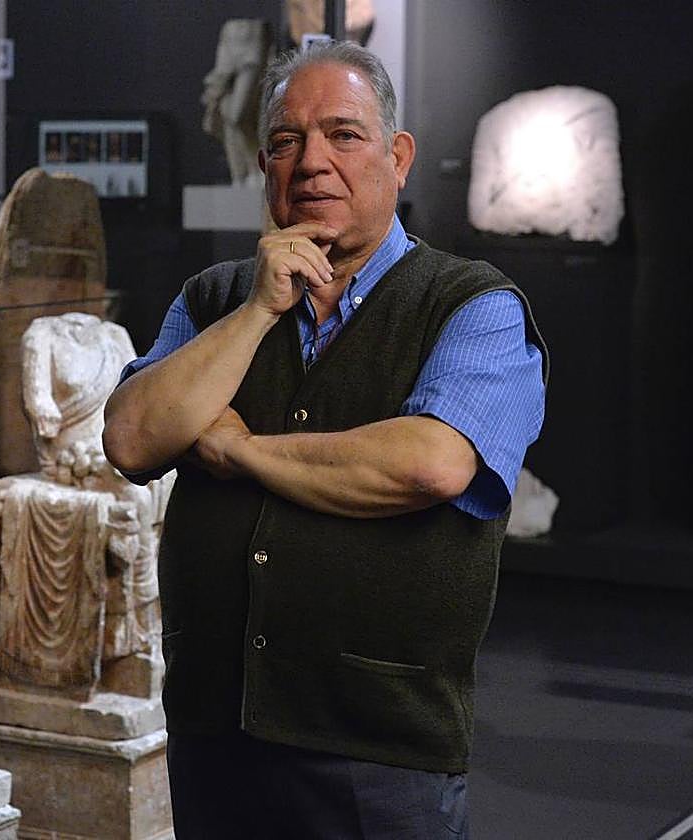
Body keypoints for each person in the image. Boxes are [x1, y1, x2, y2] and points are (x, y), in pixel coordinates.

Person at [103, 41, 545, 839]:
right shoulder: (215, 300)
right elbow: (133, 437)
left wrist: (236, 450)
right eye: (285, 142)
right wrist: (258, 313)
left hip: (376, 751)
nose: (311, 163)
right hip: (215, 734)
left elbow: (429, 464)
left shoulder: (472, 306)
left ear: (398, 157)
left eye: (343, 134)